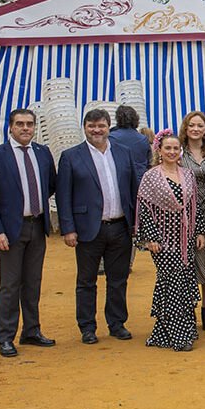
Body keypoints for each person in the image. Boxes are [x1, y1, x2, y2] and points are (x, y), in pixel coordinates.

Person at [56, 109, 139, 344]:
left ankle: (116, 323)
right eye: (91, 126)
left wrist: (135, 224)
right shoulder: (71, 156)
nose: (96, 130)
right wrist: (68, 229)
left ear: (109, 127)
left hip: (120, 227)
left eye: (101, 125)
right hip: (87, 229)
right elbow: (64, 196)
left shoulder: (123, 153)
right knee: (86, 281)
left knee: (118, 279)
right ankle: (87, 327)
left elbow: (133, 190)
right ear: (84, 127)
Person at [0, 108, 57, 357]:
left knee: (33, 283)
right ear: (10, 127)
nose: (26, 128)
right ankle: (5, 336)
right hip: (10, 230)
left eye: (30, 124)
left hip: (37, 225)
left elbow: (50, 185)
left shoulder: (43, 153)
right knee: (11, 285)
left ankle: (31, 330)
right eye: (20, 124)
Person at [133, 131, 205, 352]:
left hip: (186, 240)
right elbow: (144, 209)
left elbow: (195, 207)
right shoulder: (151, 176)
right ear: (159, 150)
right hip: (163, 241)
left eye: (176, 148)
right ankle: (178, 335)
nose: (172, 152)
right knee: (171, 283)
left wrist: (200, 232)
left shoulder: (188, 175)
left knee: (183, 283)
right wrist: (151, 238)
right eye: (168, 148)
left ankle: (168, 331)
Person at [179, 111, 205, 331]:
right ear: (185, 128)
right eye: (192, 125)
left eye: (200, 126)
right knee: (186, 265)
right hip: (185, 215)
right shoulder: (177, 151)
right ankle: (188, 311)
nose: (196, 129)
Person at [110, 105, 150, 181]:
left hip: (119, 179)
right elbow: (148, 162)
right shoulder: (143, 139)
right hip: (140, 180)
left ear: (118, 119)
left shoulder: (111, 137)